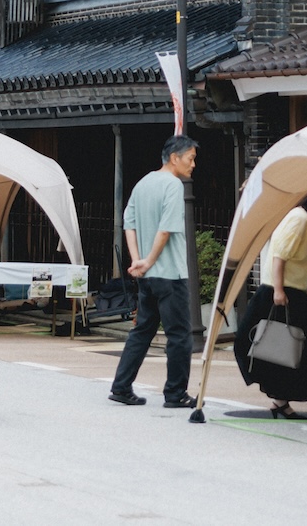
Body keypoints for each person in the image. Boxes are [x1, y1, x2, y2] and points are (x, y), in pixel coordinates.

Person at [234, 179, 307, 419]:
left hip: (290, 292)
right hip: (284, 292)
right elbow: (279, 255)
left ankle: (282, 401)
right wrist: (279, 290)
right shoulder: (299, 218)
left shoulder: (304, 219)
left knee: (286, 347)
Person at [108, 136, 198, 409]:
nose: (193, 164)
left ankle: (121, 386)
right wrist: (148, 261)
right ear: (174, 158)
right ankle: (176, 393)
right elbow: (166, 229)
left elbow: (129, 223)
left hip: (148, 278)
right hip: (170, 274)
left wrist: (138, 260)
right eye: (190, 158)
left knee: (142, 331)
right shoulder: (173, 185)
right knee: (179, 336)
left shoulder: (143, 183)